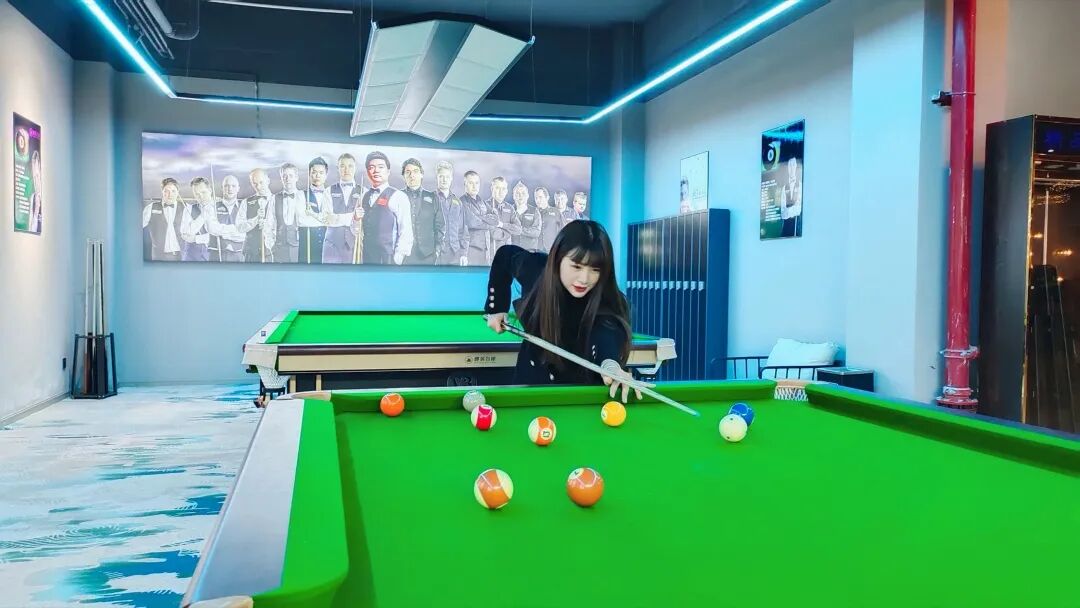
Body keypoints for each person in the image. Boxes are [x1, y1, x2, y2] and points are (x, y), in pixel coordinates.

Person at [483, 220, 642, 402]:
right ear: (558, 258)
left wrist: (610, 364)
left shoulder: (609, 300)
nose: (584, 279)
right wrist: (496, 308)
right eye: (576, 266)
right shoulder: (535, 271)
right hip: (530, 385)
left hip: (582, 395)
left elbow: (606, 335)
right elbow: (505, 255)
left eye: (595, 269)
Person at [360, 151, 413, 265]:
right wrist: (355, 219)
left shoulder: (398, 196)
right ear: (367, 172)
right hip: (367, 258)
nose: (376, 170)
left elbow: (406, 231)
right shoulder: (364, 195)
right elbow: (357, 230)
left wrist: (398, 258)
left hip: (388, 258)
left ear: (388, 171)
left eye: (380, 167)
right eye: (371, 167)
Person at [401, 157, 444, 265]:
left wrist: (437, 250)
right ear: (403, 176)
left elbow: (440, 226)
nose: (412, 175)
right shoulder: (397, 196)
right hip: (402, 255)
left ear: (422, 174)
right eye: (408, 172)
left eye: (415, 171)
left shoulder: (433, 197)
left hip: (427, 255)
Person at [323, 153, 364, 264]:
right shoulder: (328, 191)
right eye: (342, 166)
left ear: (355, 168)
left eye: (350, 166)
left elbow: (363, 221)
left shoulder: (364, 191)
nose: (346, 170)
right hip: (331, 246)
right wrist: (353, 216)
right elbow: (327, 219)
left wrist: (337, 218)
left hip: (355, 246)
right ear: (338, 168)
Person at [142, 177, 185, 261]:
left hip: (182, 256)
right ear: (162, 191)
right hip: (158, 257)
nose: (170, 194)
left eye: (173, 191)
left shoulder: (186, 208)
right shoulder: (150, 208)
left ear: (178, 192)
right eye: (166, 191)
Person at [435, 161, 469, 266]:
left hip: (455, 253)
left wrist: (463, 254)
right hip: (436, 253)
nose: (444, 179)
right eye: (441, 176)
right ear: (437, 177)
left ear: (451, 178)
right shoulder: (431, 199)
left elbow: (463, 230)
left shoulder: (458, 202)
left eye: (447, 177)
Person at [180, 177, 212, 262]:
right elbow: (186, 234)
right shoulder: (189, 208)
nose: (200, 196)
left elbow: (220, 237)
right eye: (197, 194)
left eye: (203, 192)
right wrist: (204, 214)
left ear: (210, 191)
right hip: (190, 257)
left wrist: (195, 239)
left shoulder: (220, 209)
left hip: (212, 257)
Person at [511, 180, 541, 251]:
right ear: (513, 196)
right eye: (517, 193)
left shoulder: (534, 211)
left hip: (530, 252)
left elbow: (536, 232)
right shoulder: (509, 210)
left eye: (523, 193)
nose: (520, 196)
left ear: (527, 196)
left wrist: (519, 230)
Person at [779, 156, 802, 237]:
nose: (791, 168)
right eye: (789, 165)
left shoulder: (800, 186)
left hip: (796, 229)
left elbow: (799, 210)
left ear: (796, 166)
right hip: (785, 229)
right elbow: (783, 213)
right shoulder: (784, 187)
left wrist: (788, 211)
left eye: (793, 165)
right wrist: (793, 210)